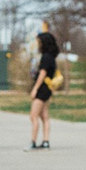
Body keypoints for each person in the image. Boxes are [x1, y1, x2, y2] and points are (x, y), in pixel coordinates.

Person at [25, 23, 59, 151]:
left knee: (33, 116)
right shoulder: (52, 58)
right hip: (48, 89)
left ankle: (33, 141)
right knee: (44, 116)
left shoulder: (45, 58)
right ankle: (46, 141)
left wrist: (35, 89)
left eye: (39, 42)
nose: (38, 44)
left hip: (42, 89)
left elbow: (42, 74)